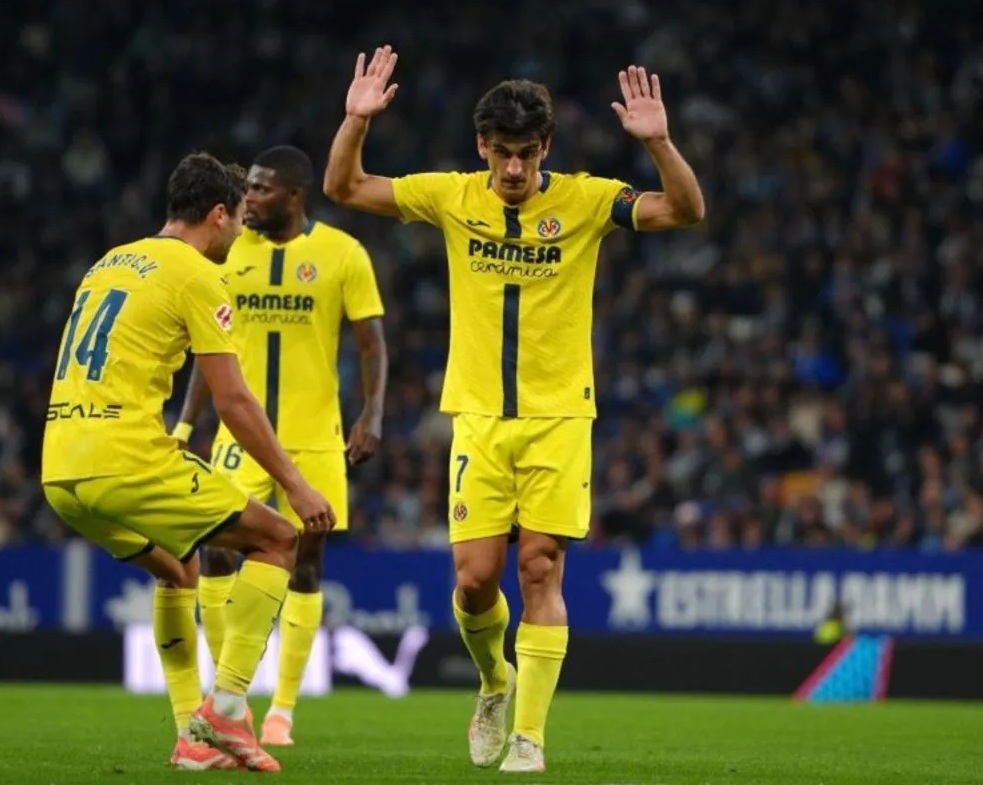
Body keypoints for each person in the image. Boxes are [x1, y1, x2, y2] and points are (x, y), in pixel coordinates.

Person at [324, 46, 705, 773]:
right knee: (473, 581)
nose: (511, 168)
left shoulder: (588, 201)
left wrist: (658, 143)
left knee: (538, 567)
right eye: (501, 152)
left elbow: (686, 210)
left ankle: (529, 737)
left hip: (559, 418)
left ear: (545, 148)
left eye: (525, 154)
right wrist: (356, 121)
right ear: (481, 147)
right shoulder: (451, 196)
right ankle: (494, 679)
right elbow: (344, 186)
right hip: (478, 416)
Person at [40, 152, 335, 773]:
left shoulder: (109, 262)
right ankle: (226, 708)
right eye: (240, 218)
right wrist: (296, 485)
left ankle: (190, 739)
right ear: (218, 214)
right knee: (279, 539)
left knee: (179, 571)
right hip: (125, 458)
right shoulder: (197, 274)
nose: (243, 230)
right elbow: (234, 400)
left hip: (60, 467)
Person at [173, 145, 387, 746]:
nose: (249, 199)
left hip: (315, 436)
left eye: (261, 189)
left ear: (295, 196)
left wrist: (371, 414)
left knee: (307, 566)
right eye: (248, 188)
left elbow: (371, 344)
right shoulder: (229, 251)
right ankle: (230, 696)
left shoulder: (343, 253)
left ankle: (283, 710)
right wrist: (185, 428)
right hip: (240, 437)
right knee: (217, 552)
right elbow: (208, 351)